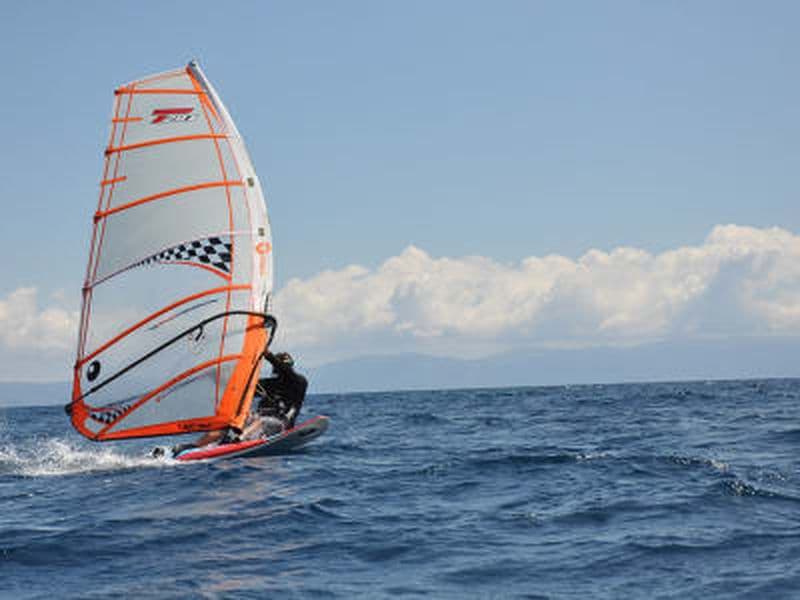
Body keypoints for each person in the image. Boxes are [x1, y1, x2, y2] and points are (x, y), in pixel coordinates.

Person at [240, 351, 308, 440]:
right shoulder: (271, 383)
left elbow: (286, 371)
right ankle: (220, 441)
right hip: (260, 421)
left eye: (286, 366)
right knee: (243, 418)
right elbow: (247, 388)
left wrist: (269, 356)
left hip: (282, 424)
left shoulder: (299, 382)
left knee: (261, 421)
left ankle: (239, 439)